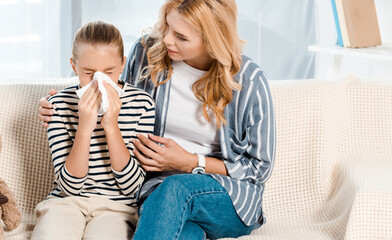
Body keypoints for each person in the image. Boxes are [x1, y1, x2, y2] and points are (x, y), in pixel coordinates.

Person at [37, 0, 275, 239]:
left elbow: (259, 168)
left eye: (181, 37)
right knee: (184, 231)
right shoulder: (146, 53)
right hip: (157, 196)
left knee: (176, 187)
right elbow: (115, 94)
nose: (168, 40)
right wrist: (65, 100)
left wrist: (191, 162)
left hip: (227, 195)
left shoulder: (249, 81)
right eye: (167, 27)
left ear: (212, 39)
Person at [31, 21, 155, 240]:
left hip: (117, 208)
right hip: (65, 202)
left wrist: (111, 126)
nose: (99, 82)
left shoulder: (142, 104)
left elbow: (132, 187)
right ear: (73, 66)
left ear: (123, 64)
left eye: (109, 72)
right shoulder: (58, 105)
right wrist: (84, 128)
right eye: (88, 73)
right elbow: (70, 187)